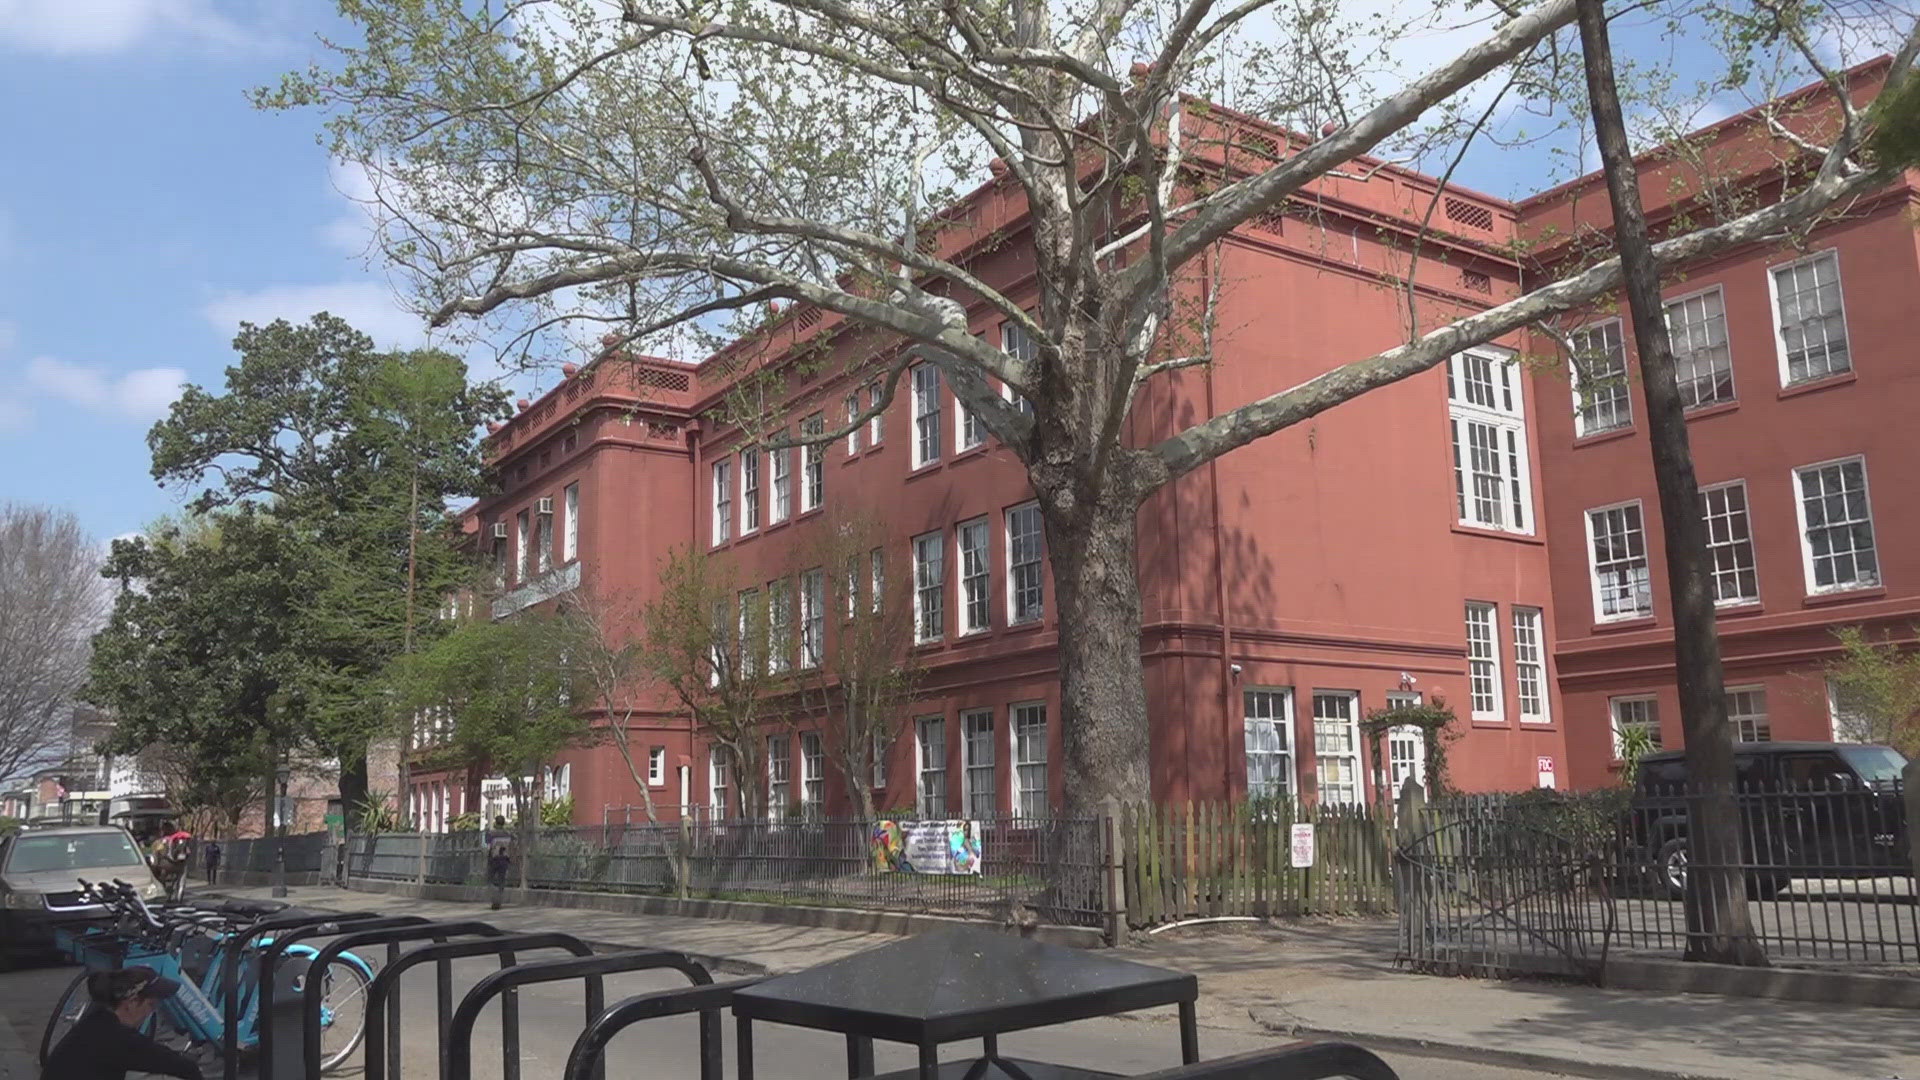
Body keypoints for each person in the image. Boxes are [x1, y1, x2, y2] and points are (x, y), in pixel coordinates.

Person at [41, 966, 203, 1080]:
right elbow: (185, 1068)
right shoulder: (119, 1038)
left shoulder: (95, 1021)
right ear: (131, 1002)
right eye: (150, 1005)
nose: (150, 1013)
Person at [484, 816, 513, 911]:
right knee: (501, 881)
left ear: (496, 823)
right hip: (504, 859)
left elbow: (488, 847)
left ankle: (494, 899)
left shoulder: (491, 834)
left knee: (489, 880)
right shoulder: (508, 834)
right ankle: (499, 900)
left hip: (494, 859)